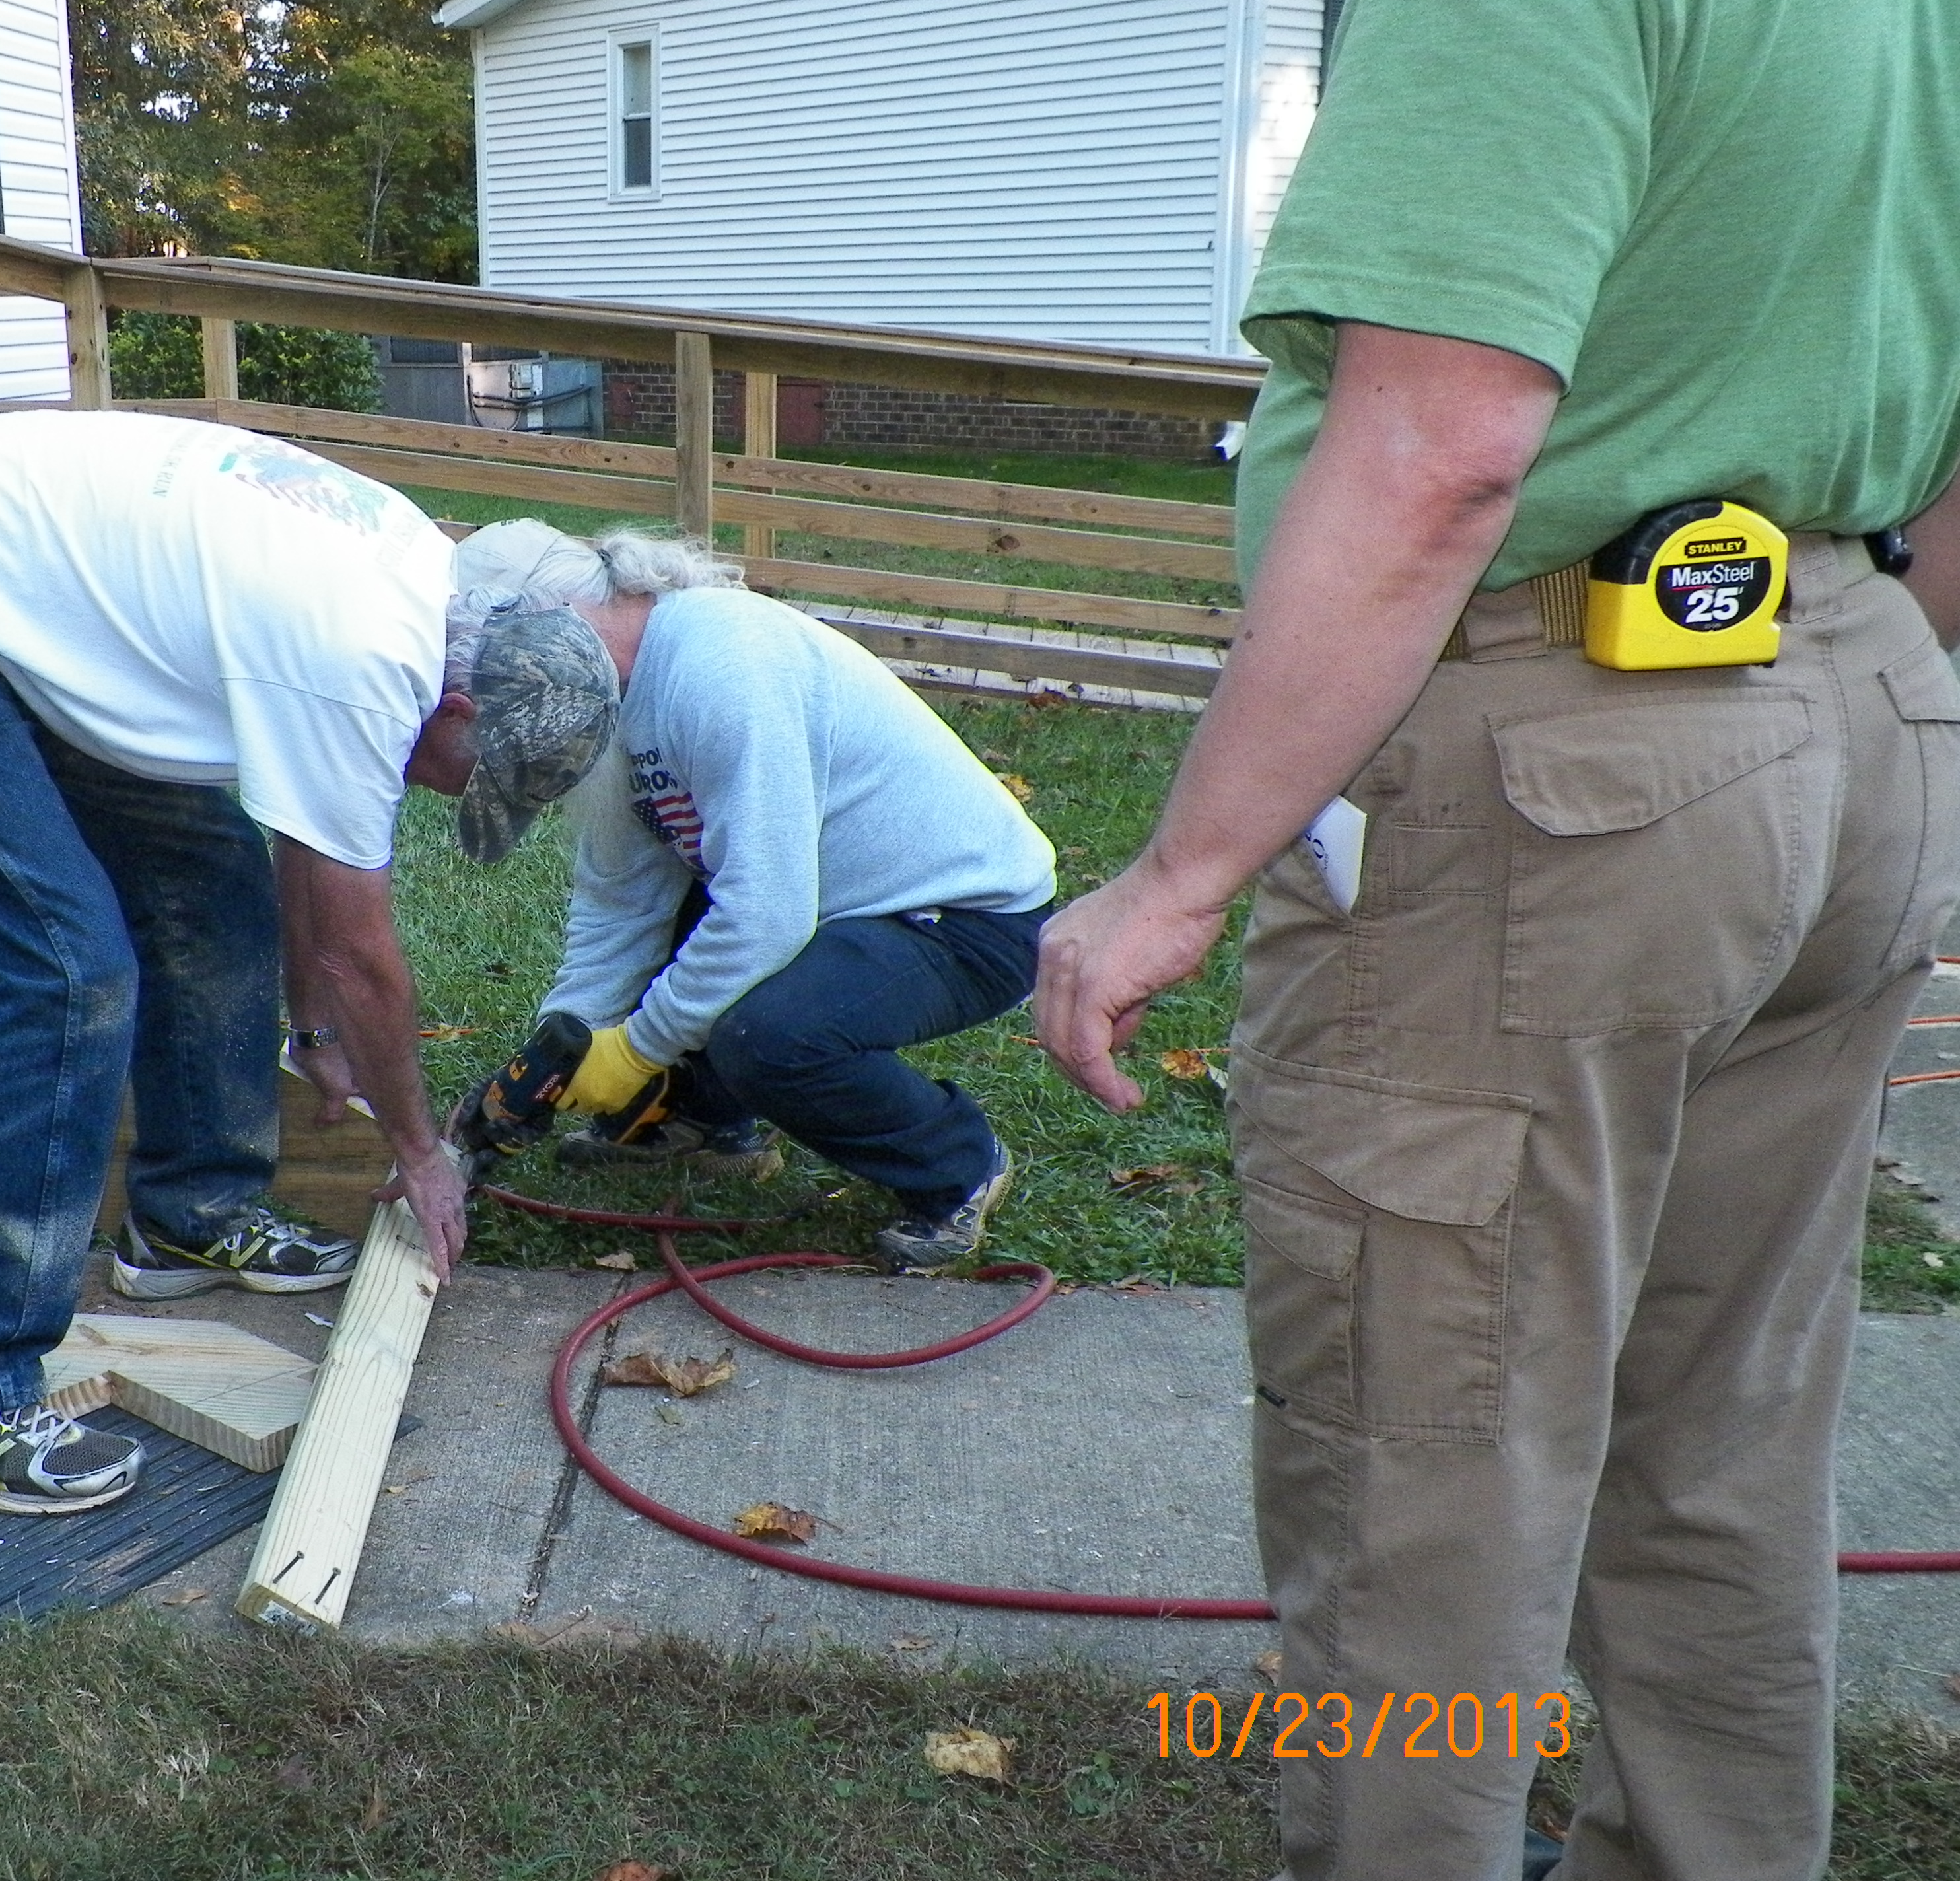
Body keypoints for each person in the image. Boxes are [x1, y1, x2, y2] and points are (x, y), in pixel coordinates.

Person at [1032, 4, 1960, 1876]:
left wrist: (1182, 875)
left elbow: (1450, 446)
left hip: (1570, 759)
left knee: (1430, 1479)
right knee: (1729, 1442)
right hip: (1866, 686)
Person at [0, 411, 619, 1515]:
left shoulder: (422, 600)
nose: (452, 794)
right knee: (64, 972)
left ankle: (190, 1210)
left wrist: (309, 1029)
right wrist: (419, 1148)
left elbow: (314, 854)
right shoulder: (362, 659)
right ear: (457, 703)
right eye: (472, 774)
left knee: (208, 881)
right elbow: (364, 954)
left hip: (7, 592)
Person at [452, 521, 1058, 1268]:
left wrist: (637, 1048)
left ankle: (958, 1167)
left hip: (961, 919)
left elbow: (766, 915)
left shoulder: (724, 663)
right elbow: (620, 898)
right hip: (828, 900)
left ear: (557, 615)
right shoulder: (618, 699)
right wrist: (566, 1040)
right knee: (698, 941)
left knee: (767, 1036)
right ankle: (708, 1125)